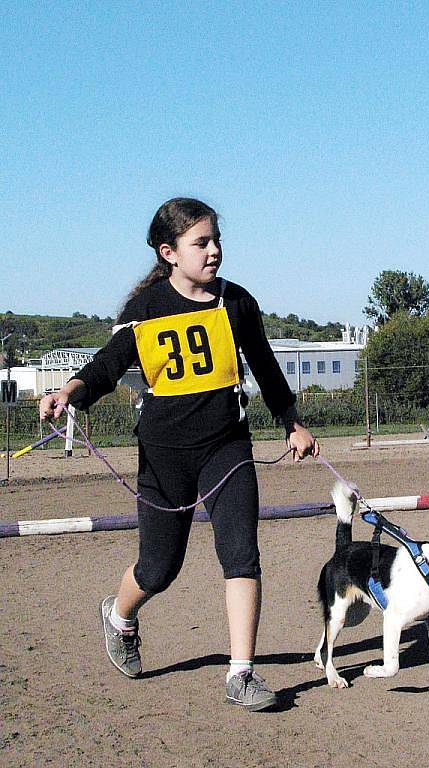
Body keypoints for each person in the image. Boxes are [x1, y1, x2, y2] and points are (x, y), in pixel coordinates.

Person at [40, 197, 319, 712]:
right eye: (202, 243)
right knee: (159, 567)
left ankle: (242, 674)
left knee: (241, 554)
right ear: (169, 253)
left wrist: (291, 423)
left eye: (217, 240)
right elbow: (107, 366)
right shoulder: (143, 312)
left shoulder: (238, 303)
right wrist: (69, 392)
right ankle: (120, 616)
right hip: (164, 454)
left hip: (227, 447)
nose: (214, 251)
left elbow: (265, 367)